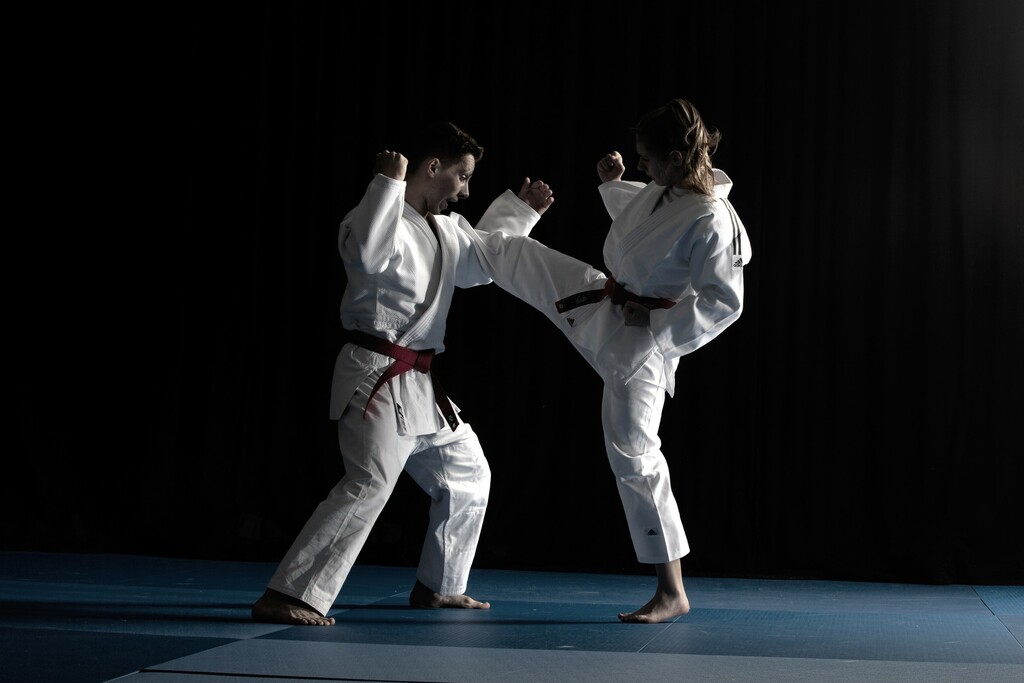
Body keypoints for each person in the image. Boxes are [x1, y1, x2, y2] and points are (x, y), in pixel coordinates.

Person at [251, 121, 555, 626]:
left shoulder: (447, 229)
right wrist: (387, 183)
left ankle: (441, 585)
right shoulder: (374, 215)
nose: (465, 188)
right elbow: (367, 255)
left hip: (420, 384)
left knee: (468, 475)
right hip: (377, 373)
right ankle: (290, 593)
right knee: (369, 482)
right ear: (431, 167)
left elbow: (484, 261)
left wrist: (521, 212)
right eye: (461, 176)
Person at [463, 98, 752, 623]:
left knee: (635, 457)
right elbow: (643, 232)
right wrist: (616, 184)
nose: (641, 167)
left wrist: (657, 322)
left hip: (639, 345)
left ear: (673, 158)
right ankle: (442, 242)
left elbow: (724, 302)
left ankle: (672, 591)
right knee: (511, 252)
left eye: (645, 159)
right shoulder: (670, 191)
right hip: (600, 300)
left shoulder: (713, 219)